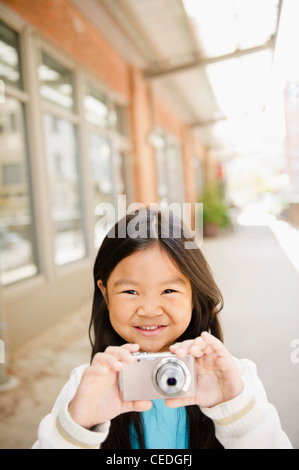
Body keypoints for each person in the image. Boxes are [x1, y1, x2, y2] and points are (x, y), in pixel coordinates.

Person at [33, 208, 292, 449]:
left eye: (169, 290)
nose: (149, 310)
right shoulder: (86, 386)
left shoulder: (235, 380)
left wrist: (236, 411)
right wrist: (76, 429)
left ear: (194, 294)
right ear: (105, 292)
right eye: (130, 291)